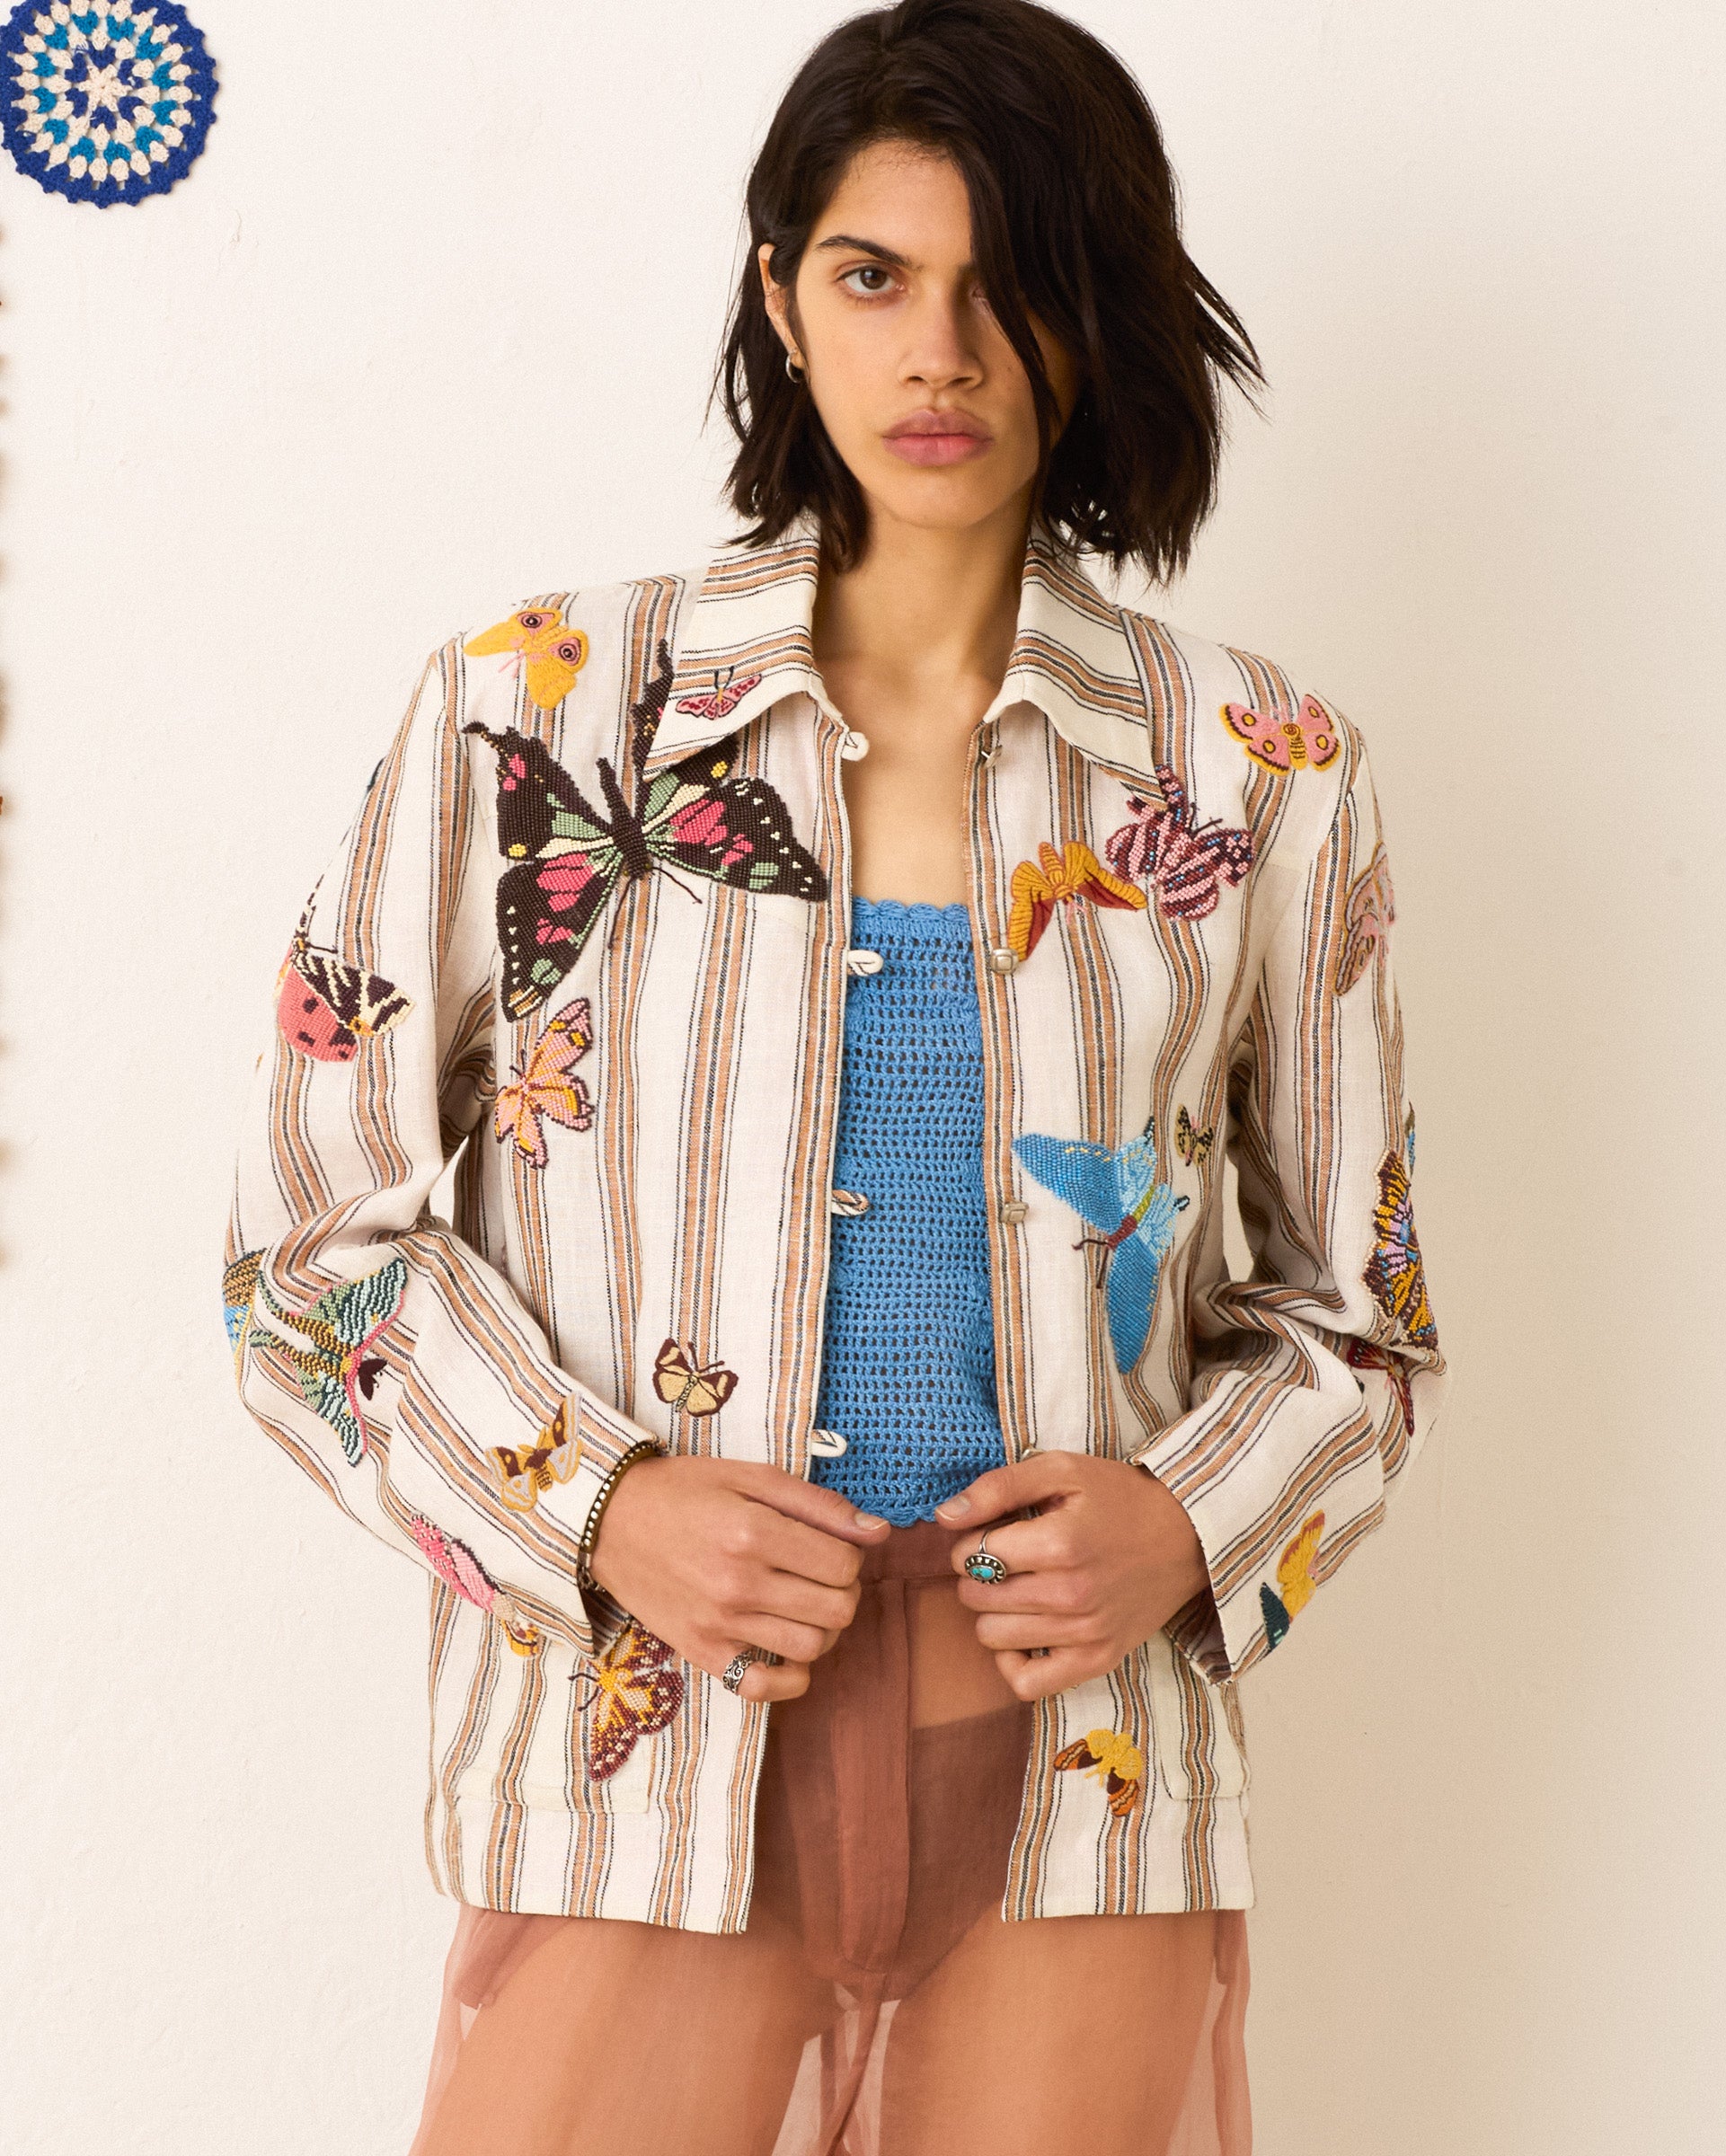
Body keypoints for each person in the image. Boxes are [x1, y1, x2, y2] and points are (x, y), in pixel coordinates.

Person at [224, 3, 1445, 2150]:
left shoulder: (1257, 775)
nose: (939, 353)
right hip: (648, 1735)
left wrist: (1183, 1517)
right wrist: (602, 1507)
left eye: (1006, 283)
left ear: (1097, 309)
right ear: (783, 297)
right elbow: (310, 1259)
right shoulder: (538, 715)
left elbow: (1364, 1316)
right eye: (874, 277)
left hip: (1086, 1756)